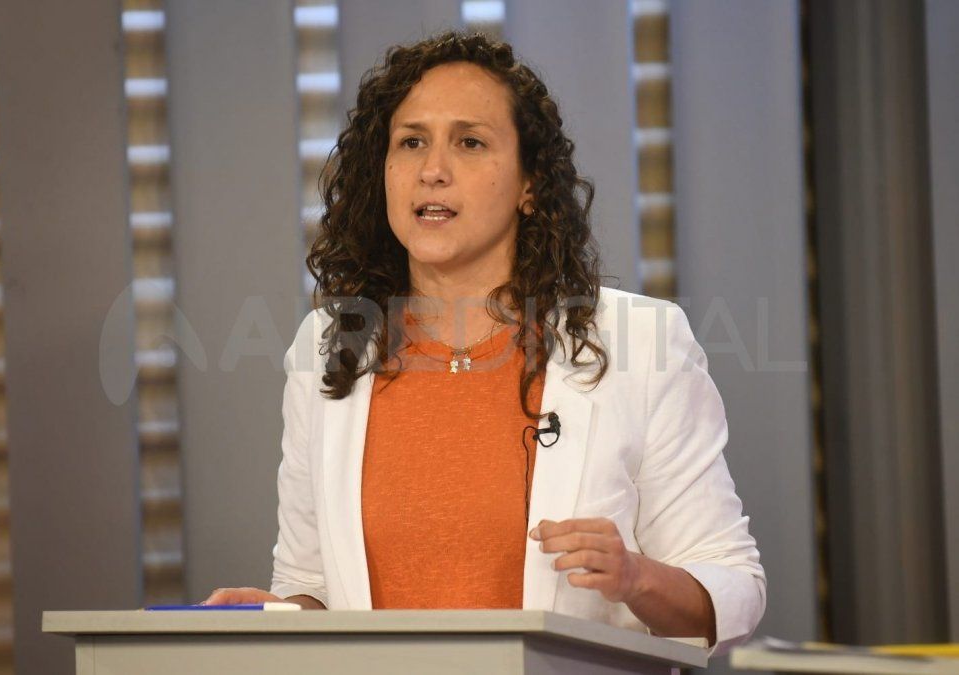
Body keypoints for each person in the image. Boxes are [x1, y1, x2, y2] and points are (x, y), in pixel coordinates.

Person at [205, 31, 765, 655]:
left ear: (529, 185)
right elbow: (312, 586)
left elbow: (733, 592)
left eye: (469, 142)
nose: (432, 170)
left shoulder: (640, 342)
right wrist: (271, 614)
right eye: (411, 142)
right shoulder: (328, 348)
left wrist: (636, 578)